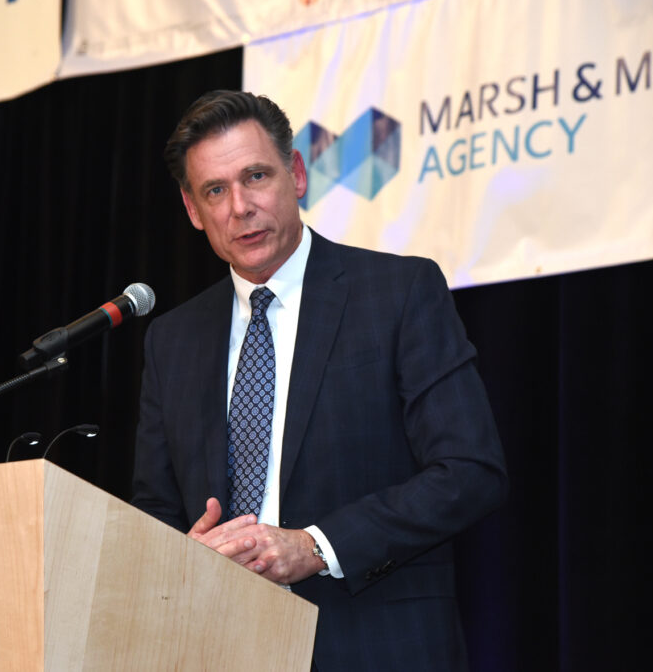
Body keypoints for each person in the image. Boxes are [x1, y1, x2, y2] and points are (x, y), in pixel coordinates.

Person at [132, 90, 507, 671]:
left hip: (375, 644)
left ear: (298, 174)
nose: (240, 207)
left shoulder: (398, 293)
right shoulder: (173, 338)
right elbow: (154, 506)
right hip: (222, 646)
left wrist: (314, 546)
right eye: (215, 191)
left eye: (256, 176)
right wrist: (186, 556)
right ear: (192, 209)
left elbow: (470, 471)